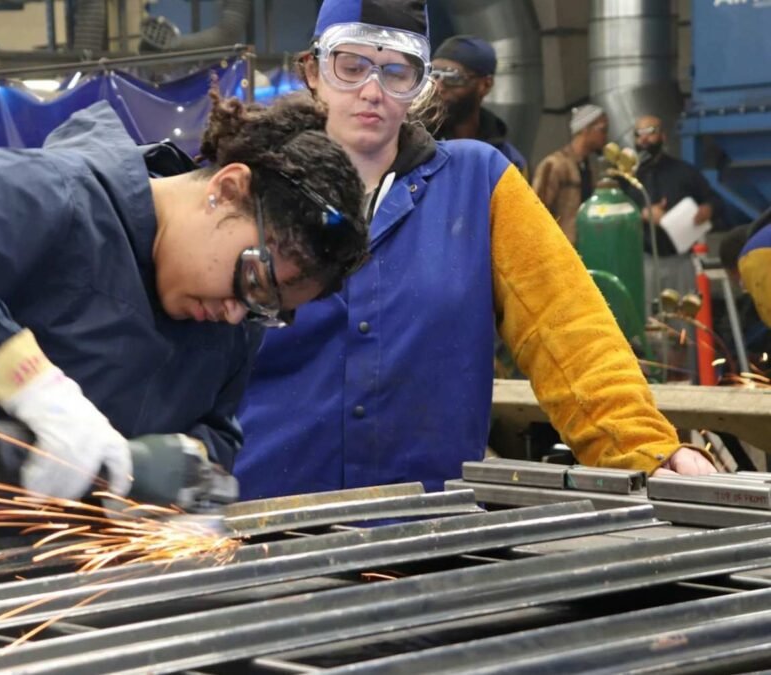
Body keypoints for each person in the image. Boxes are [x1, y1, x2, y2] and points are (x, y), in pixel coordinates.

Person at [0, 93, 369, 557]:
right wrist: (31, 385)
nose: (241, 313)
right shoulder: (54, 198)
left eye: (270, 309)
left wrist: (160, 466)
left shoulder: (231, 312)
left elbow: (215, 430)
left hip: (48, 603)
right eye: (254, 283)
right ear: (227, 188)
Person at [233, 0, 715, 501]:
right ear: (311, 70)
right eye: (350, 67)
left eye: (397, 72)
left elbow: (566, 326)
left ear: (421, 86)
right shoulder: (248, 184)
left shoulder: (480, 184)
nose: (371, 91)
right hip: (263, 524)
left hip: (427, 532)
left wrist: (645, 448)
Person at [629, 115, 715, 311]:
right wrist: (643, 213)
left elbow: (712, 200)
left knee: (684, 319)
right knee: (650, 321)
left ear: (663, 137)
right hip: (646, 262)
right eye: (638, 134)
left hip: (681, 260)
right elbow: (617, 212)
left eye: (650, 132)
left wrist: (707, 209)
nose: (644, 139)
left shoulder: (684, 172)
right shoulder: (628, 178)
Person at [431, 34, 527, 174]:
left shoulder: (507, 163)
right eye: (433, 75)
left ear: (485, 85)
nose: (438, 87)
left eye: (453, 77)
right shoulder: (414, 148)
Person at [532, 104, 609, 244]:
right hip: (560, 250)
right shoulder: (555, 164)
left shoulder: (589, 166)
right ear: (585, 129)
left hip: (584, 248)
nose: (605, 136)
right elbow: (536, 213)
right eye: (602, 130)